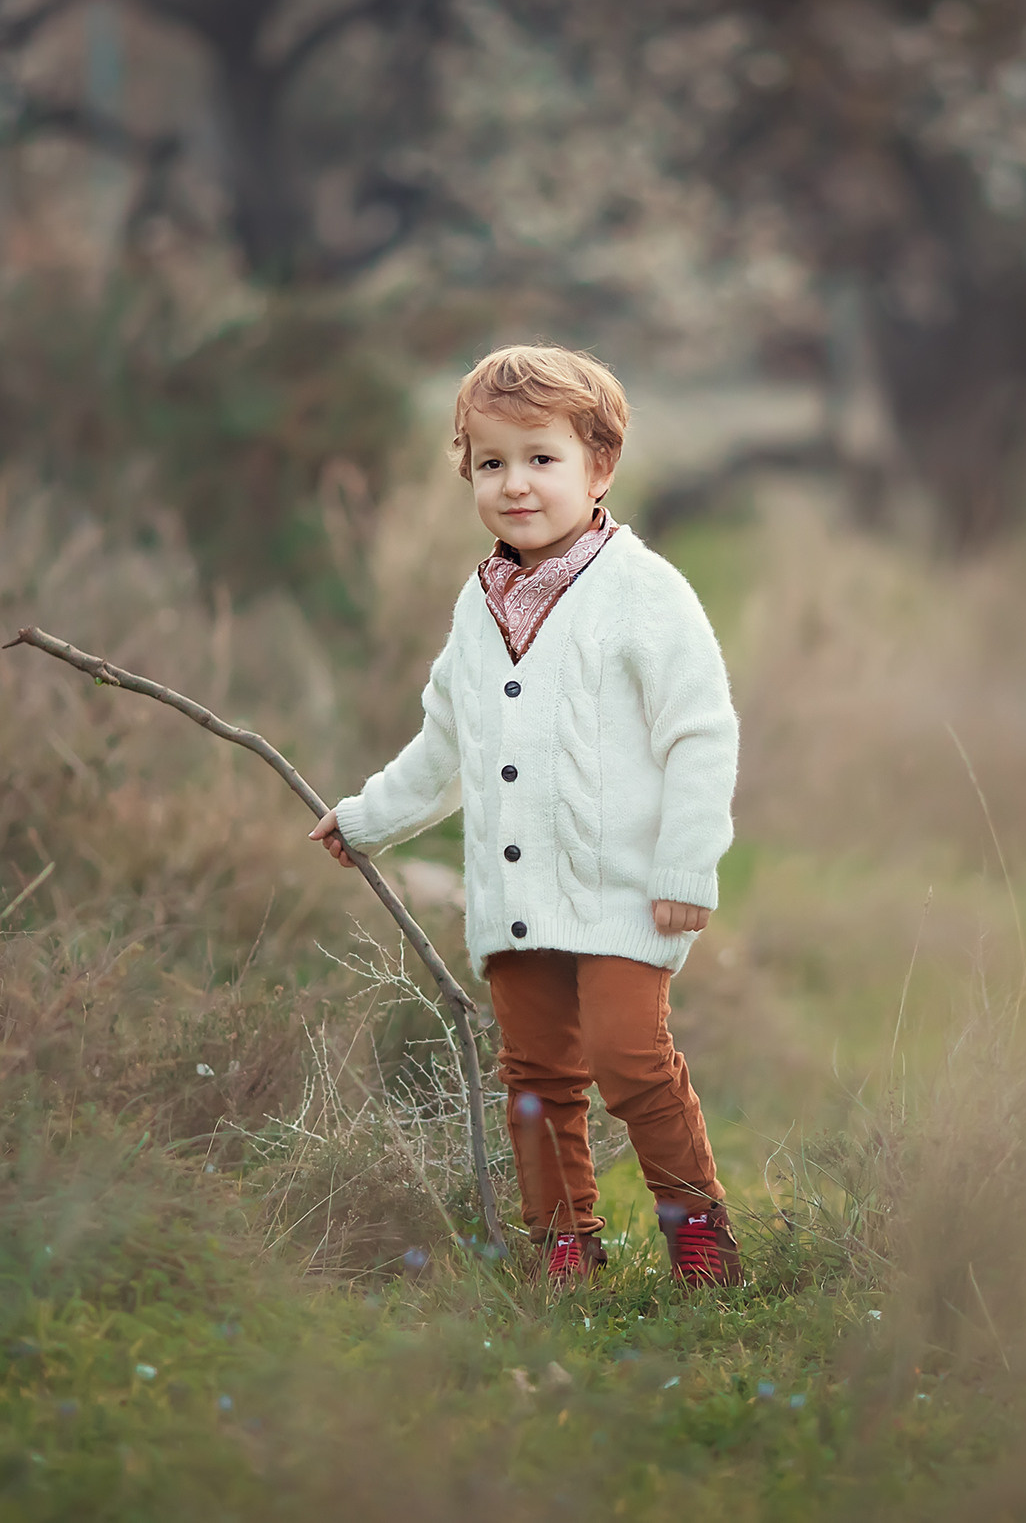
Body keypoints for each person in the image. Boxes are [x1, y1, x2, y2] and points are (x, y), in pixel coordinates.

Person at [309, 344, 742, 1288]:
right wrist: (367, 819)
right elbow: (445, 747)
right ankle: (564, 1245)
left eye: (542, 459)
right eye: (491, 463)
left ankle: (698, 1232)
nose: (515, 484)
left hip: (626, 892)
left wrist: (685, 868)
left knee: (630, 1058)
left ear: (599, 467)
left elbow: (701, 735)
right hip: (515, 899)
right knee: (537, 1077)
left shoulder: (643, 591)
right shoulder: (481, 606)